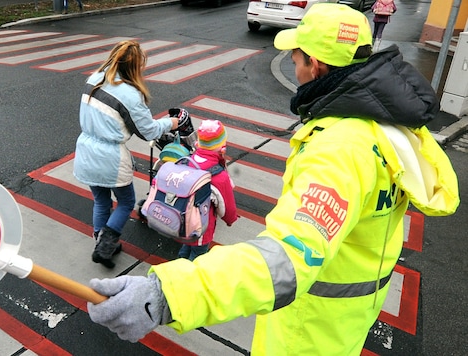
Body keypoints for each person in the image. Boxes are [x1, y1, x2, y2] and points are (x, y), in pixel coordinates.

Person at [85, 4, 459, 355]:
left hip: (305, 333)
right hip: (343, 323)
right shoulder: (385, 127)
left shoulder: (341, 148)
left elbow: (288, 256)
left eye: (296, 59)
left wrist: (169, 293)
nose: (295, 69)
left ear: (315, 65)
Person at [73, 40, 181, 269]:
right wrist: (170, 123)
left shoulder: (95, 78)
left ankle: (101, 241)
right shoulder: (131, 95)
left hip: (86, 150)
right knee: (126, 202)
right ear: (134, 67)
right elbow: (147, 131)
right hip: (110, 157)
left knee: (101, 201)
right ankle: (105, 247)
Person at [177, 119, 238, 261]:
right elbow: (226, 208)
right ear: (222, 147)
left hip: (182, 223)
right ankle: (187, 280)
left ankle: (179, 265)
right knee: (197, 258)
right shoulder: (218, 176)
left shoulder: (188, 161)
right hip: (201, 229)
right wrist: (230, 220)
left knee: (186, 248)